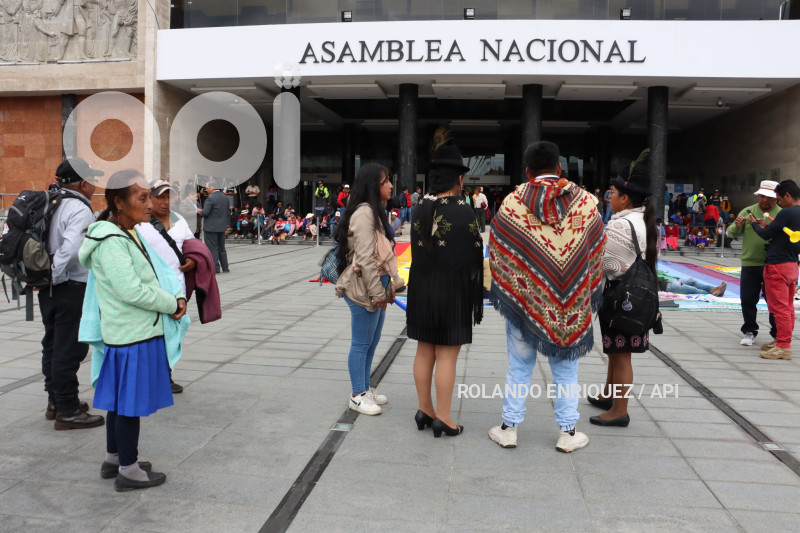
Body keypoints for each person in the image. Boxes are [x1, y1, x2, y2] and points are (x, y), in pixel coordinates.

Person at [488, 141, 605, 452]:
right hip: (570, 310)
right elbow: (597, 253)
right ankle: (568, 433)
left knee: (519, 366)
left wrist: (522, 287)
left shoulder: (513, 204)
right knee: (566, 370)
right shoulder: (585, 204)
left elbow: (498, 250)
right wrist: (580, 292)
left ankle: (509, 428)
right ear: (559, 169)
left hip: (526, 303)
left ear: (527, 171)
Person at [79, 169, 189, 491]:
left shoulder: (128, 233)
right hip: (132, 335)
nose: (150, 204)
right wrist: (171, 303)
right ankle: (129, 470)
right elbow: (131, 290)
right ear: (118, 202)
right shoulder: (112, 240)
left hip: (129, 333)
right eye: (142, 197)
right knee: (129, 406)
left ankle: (115, 458)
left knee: (118, 403)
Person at [407, 144, 484, 438]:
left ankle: (424, 409)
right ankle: (444, 417)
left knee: (424, 349)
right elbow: (475, 257)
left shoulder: (419, 209)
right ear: (458, 180)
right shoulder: (463, 213)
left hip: (422, 288)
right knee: (447, 355)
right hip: (452, 291)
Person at [589, 150, 657, 429]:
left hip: (620, 296)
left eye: (612, 193)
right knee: (615, 351)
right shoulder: (644, 220)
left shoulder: (621, 223)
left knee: (620, 355)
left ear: (625, 198)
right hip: (637, 295)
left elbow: (606, 264)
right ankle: (608, 395)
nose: (609, 196)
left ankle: (619, 410)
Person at [40, 158, 106, 430]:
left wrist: (46, 280)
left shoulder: (50, 202)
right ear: (83, 183)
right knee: (69, 349)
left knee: (53, 344)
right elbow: (71, 250)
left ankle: (56, 402)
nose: (94, 185)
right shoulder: (80, 209)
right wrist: (55, 276)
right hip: (69, 287)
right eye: (92, 179)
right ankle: (68, 410)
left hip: (49, 287)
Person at [334, 164, 402, 416]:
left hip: (377, 285)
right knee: (361, 343)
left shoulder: (375, 211)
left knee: (371, 343)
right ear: (374, 185)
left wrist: (386, 290)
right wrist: (376, 293)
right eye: (386, 181)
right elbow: (364, 259)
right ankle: (357, 395)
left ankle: (365, 388)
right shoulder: (364, 213)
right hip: (364, 288)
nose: (391, 186)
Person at [137, 180, 197, 394]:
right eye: (160, 196)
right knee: (152, 334)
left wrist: (193, 260)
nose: (165, 202)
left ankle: (166, 375)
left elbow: (190, 244)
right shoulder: (140, 222)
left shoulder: (179, 220)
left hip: (176, 289)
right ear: (149, 197)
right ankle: (151, 376)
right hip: (151, 290)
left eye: (169, 197)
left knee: (172, 333)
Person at [748, 179, 800, 360]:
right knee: (788, 307)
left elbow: (764, 236)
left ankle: (784, 346)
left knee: (779, 309)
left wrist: (754, 223)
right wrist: (769, 226)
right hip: (792, 265)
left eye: (779, 199)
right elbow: (785, 234)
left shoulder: (787, 212)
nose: (778, 203)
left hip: (777, 266)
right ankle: (781, 340)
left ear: (787, 195)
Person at [727, 180, 780, 346]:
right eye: (762, 196)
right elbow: (730, 232)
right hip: (750, 263)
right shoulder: (748, 211)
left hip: (772, 264)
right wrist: (736, 226)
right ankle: (749, 331)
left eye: (769, 198)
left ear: (776, 198)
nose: (764, 200)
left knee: (773, 301)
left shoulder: (781, 214)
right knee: (748, 299)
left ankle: (777, 334)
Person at [197, 178, 229, 274]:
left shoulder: (210, 198)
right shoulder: (225, 197)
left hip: (211, 227)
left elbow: (205, 213)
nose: (206, 189)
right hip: (221, 226)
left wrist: (199, 211)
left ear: (212, 187)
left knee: (212, 248)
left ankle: (215, 268)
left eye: (207, 187)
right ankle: (225, 267)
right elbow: (227, 212)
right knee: (221, 247)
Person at [658, 275, 726, 296]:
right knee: (692, 290)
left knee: (692, 281)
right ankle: (712, 293)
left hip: (670, 281)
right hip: (668, 287)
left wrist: (678, 279)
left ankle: (714, 289)